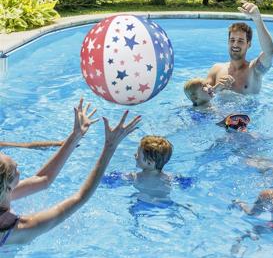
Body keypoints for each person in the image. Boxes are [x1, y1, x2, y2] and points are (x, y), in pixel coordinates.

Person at [0, 98, 141, 245]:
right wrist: (110, 146)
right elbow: (80, 198)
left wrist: (76, 135)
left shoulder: (3, 191)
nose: (18, 165)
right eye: (15, 169)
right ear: (8, 186)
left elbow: (43, 179)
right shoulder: (22, 229)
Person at [205, 1, 273, 94]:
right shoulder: (216, 69)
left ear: (248, 44)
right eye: (232, 40)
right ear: (228, 42)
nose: (235, 44)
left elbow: (270, 52)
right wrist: (216, 88)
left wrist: (257, 19)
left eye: (240, 41)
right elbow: (199, 98)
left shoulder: (254, 70)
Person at [231, 149, 273, 230]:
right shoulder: (268, 196)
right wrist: (241, 204)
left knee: (271, 172)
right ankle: (247, 154)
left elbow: (252, 213)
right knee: (267, 170)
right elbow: (251, 213)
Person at [129, 135, 173, 204]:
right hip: (163, 203)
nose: (135, 155)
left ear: (149, 163)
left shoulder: (135, 177)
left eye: (138, 154)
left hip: (142, 203)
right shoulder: (168, 178)